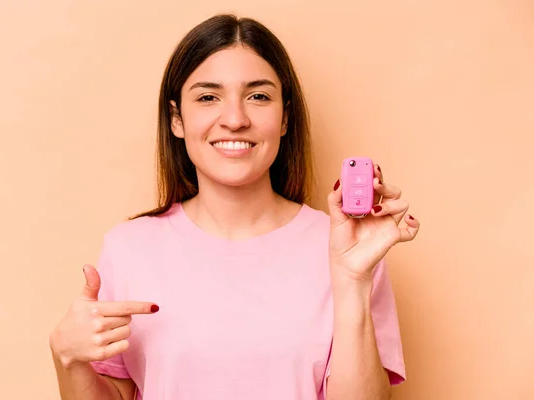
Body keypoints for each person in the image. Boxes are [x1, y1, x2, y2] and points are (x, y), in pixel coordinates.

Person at [49, 13, 420, 400]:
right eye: (208, 97)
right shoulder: (129, 249)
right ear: (176, 118)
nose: (235, 119)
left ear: (285, 118)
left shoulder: (348, 250)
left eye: (258, 96)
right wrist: (67, 359)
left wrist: (353, 281)